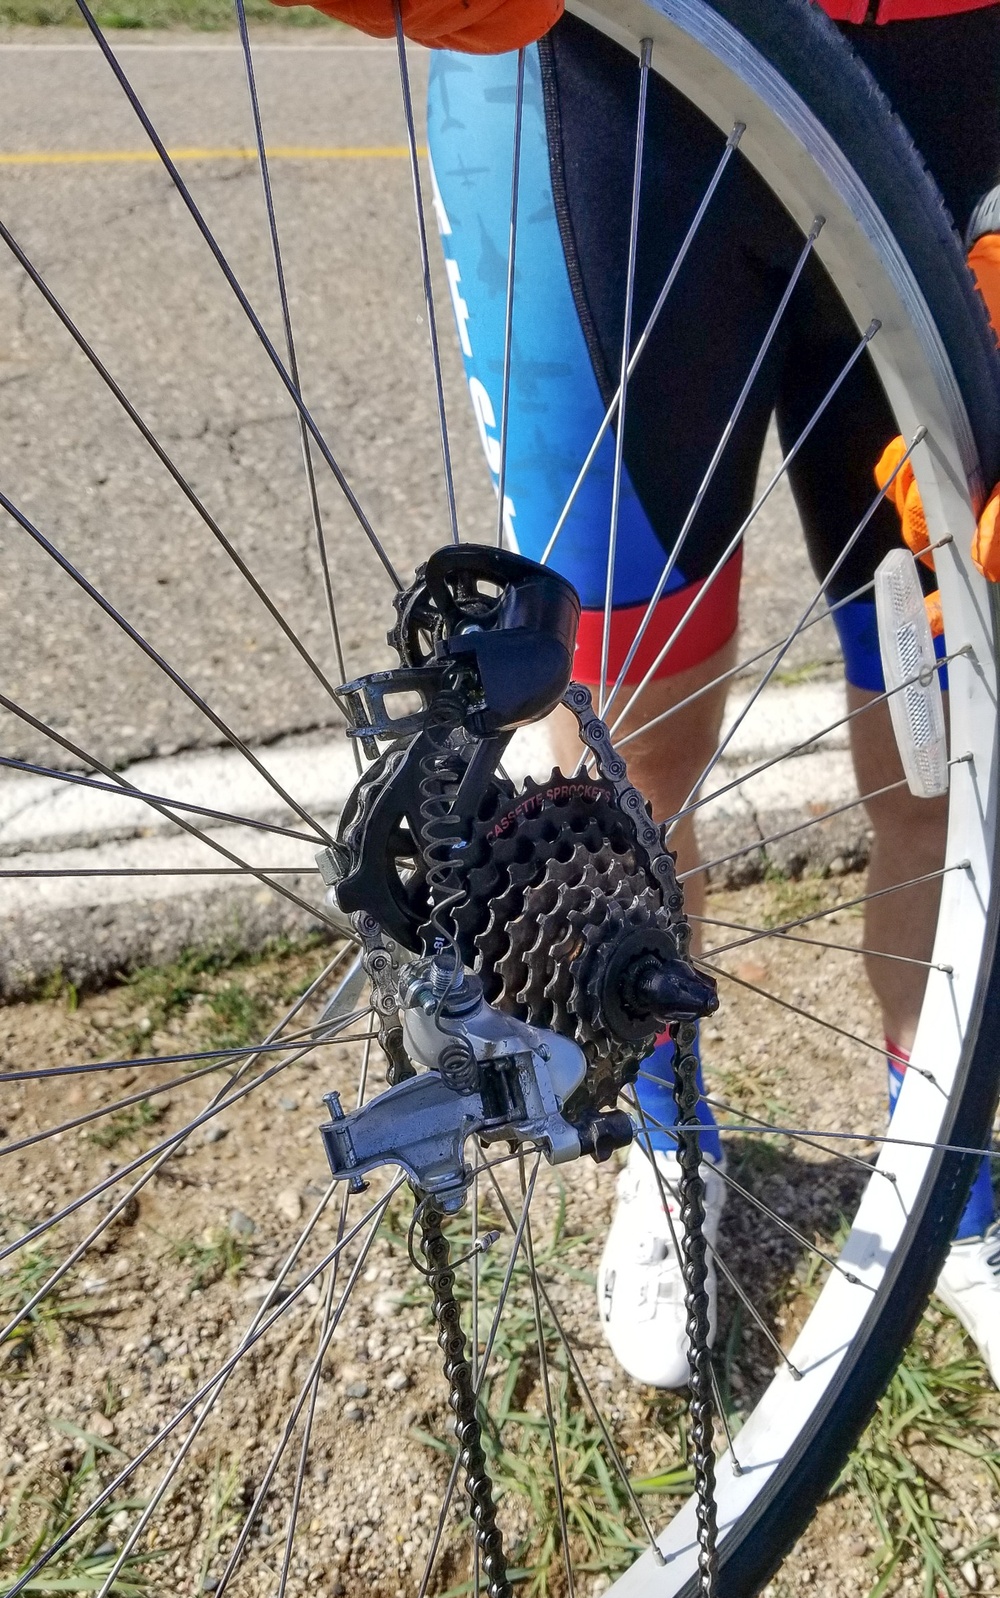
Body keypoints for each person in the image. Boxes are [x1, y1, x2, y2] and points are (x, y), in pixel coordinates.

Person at [274, 0, 1000, 1386]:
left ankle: (949, 1169)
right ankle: (665, 1135)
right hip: (621, 76)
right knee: (623, 777)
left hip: (959, 71)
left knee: (945, 754)